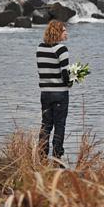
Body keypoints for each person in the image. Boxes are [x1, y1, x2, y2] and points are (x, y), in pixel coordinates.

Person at [37, 20, 71, 158]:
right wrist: (71, 81)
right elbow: (65, 75)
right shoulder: (61, 49)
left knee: (46, 124)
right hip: (60, 93)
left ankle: (41, 154)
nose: (66, 33)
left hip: (45, 93)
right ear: (57, 32)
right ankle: (57, 156)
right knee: (59, 125)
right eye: (64, 30)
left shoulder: (40, 48)